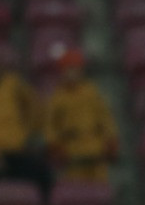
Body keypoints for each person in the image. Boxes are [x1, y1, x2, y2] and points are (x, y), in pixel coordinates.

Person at [42, 49, 118, 183]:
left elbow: (105, 118)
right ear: (62, 72)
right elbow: (51, 126)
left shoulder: (92, 92)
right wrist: (55, 146)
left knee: (99, 191)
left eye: (75, 69)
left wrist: (111, 140)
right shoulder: (57, 98)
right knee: (77, 193)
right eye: (68, 69)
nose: (72, 73)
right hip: (71, 152)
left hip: (95, 149)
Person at [0, 49, 52, 195]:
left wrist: (30, 134)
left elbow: (36, 109)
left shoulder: (13, 85)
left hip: (17, 152)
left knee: (43, 173)